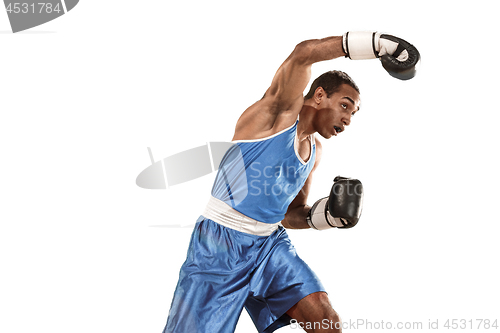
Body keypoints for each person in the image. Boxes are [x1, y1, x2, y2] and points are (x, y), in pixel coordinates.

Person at [162, 32, 419, 333]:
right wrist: (376, 45)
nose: (349, 118)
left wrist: (327, 216)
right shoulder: (276, 116)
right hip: (219, 246)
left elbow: (291, 214)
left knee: (326, 322)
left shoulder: (314, 152)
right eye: (346, 105)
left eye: (355, 112)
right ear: (320, 95)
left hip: (269, 246)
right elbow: (303, 53)